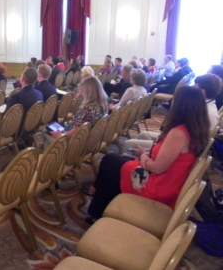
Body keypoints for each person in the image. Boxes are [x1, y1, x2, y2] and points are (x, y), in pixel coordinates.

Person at [86, 86, 209, 222]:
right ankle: (100, 202)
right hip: (169, 180)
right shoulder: (196, 128)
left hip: (159, 185)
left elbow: (157, 168)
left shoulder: (178, 133)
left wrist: (144, 156)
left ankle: (96, 211)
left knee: (110, 161)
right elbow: (171, 157)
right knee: (117, 161)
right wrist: (148, 153)